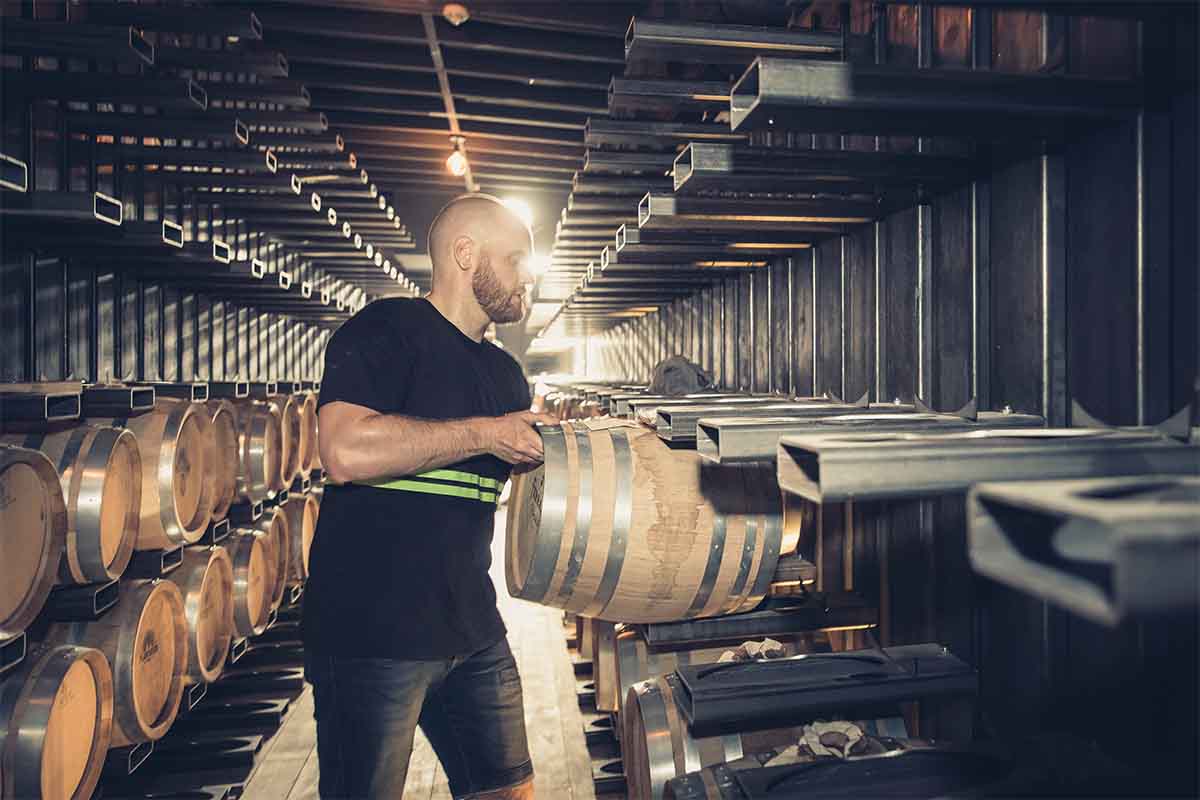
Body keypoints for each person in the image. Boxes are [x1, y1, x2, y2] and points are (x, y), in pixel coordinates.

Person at [303, 194, 558, 799]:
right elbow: (344, 451)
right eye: (516, 258)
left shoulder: (505, 374)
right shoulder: (385, 331)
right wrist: (484, 432)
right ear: (465, 254)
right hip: (372, 639)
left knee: (509, 792)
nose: (527, 275)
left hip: (472, 629)